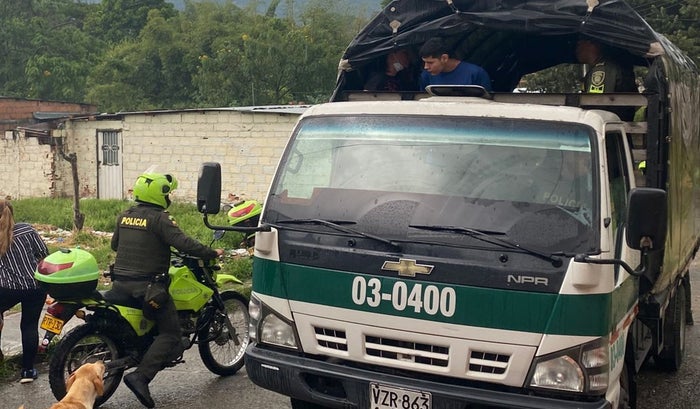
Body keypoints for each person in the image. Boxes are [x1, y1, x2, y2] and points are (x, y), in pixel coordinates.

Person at [110, 171, 223, 408]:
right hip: (147, 288)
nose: (170, 198)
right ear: (159, 194)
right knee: (171, 333)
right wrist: (211, 252)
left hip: (120, 283)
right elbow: (184, 243)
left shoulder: (125, 215)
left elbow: (115, 245)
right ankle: (141, 376)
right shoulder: (160, 218)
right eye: (168, 193)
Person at [0, 199, 49, 383]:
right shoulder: (27, 230)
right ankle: (28, 371)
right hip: (36, 287)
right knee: (29, 326)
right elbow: (44, 254)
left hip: (7, 288)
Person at [576, 38, 637, 119]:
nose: (577, 50)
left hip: (606, 122)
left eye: (579, 44)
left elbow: (596, 103)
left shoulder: (601, 70)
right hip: (614, 122)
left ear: (592, 45)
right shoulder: (608, 66)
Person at [418, 37, 492, 92]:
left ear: (444, 58)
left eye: (430, 63)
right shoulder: (426, 75)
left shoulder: (476, 73)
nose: (426, 67)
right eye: (424, 62)